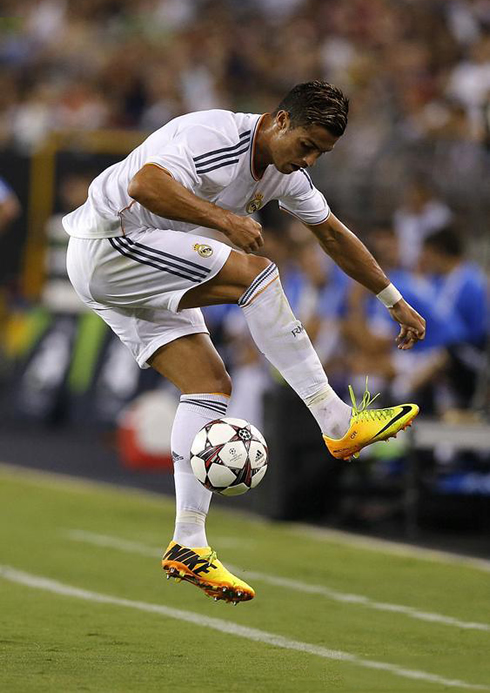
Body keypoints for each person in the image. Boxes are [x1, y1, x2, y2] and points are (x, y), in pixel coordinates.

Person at [63, 81, 426, 604]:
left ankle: (188, 542)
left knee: (210, 386)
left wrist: (391, 298)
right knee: (258, 275)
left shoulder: (288, 173)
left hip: (129, 269)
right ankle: (336, 420)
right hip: (111, 246)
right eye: (306, 146)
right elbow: (144, 184)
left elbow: (333, 235)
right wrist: (224, 219)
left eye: (321, 153)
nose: (311, 161)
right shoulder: (212, 134)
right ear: (280, 121)